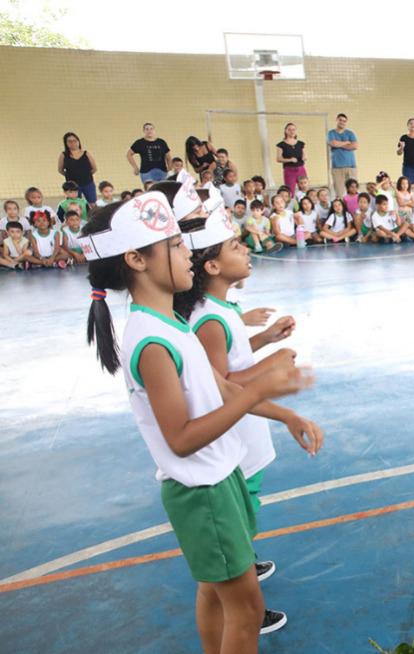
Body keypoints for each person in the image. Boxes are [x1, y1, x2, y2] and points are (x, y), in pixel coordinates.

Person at [79, 190, 320, 652]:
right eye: (173, 245)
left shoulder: (170, 324)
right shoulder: (150, 341)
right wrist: (263, 387)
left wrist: (284, 413)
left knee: (217, 591)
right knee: (247, 609)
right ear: (136, 259)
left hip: (219, 476)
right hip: (202, 490)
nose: (186, 251)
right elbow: (182, 439)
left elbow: (222, 390)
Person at [175, 209, 317, 636]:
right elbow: (223, 381)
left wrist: (266, 339)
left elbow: (229, 360)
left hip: (243, 431)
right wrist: (270, 369)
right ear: (212, 266)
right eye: (236, 246)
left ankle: (242, 563)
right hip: (234, 433)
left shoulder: (220, 308)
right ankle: (242, 589)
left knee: (243, 518)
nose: (247, 250)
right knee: (235, 524)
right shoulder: (208, 317)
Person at [58, 132, 98, 203]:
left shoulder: (86, 154)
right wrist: (70, 175)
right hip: (73, 186)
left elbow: (94, 168)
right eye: (70, 141)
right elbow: (60, 170)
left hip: (88, 183)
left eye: (75, 141)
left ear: (78, 141)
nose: (73, 143)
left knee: (92, 203)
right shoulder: (63, 155)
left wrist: (85, 175)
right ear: (66, 143)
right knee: (75, 204)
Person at [328, 113, 358, 193]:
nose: (342, 122)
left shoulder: (350, 133)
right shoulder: (331, 133)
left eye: (344, 121)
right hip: (337, 167)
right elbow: (333, 143)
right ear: (337, 120)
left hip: (351, 167)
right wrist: (346, 143)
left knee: (353, 191)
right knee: (339, 192)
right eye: (340, 120)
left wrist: (339, 144)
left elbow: (354, 146)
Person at [276, 123, 307, 191]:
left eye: (293, 129)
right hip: (289, 170)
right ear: (285, 131)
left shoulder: (300, 143)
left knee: (304, 188)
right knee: (290, 190)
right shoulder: (281, 145)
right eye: (289, 130)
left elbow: (304, 155)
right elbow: (278, 159)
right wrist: (290, 160)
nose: (292, 131)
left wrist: (304, 157)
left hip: (301, 168)